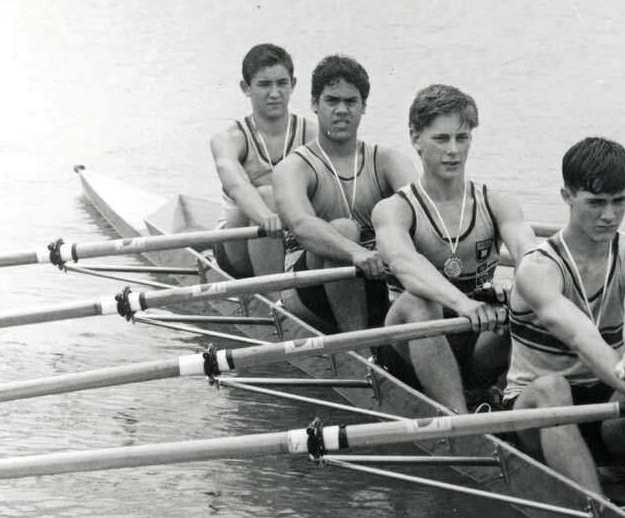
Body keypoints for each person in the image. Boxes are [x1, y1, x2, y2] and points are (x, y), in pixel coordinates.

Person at [503, 137, 625, 518]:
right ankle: (603, 517)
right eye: (596, 203)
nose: (609, 216)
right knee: (554, 387)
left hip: (605, 405)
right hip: (536, 411)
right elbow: (581, 337)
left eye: (619, 201)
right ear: (567, 196)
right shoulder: (538, 268)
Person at [372, 84, 536, 413]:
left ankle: (509, 398)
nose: (453, 150)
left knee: (531, 289)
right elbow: (404, 263)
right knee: (421, 300)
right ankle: (461, 421)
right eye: (441, 139)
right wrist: (463, 303)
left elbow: (532, 255)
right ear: (416, 139)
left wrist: (518, 287)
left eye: (462, 138)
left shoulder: (497, 203)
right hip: (407, 345)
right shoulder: (395, 209)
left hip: (477, 345)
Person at [271, 54, 417, 333]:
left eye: (351, 101)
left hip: (375, 278)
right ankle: (360, 349)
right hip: (306, 292)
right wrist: (355, 252)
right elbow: (301, 226)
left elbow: (425, 212)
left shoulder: (387, 160)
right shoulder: (294, 167)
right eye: (332, 101)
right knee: (344, 229)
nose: (341, 110)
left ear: (363, 107)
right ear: (315, 104)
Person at [209, 44, 312, 279]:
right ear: (246, 88)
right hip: (237, 245)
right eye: (264, 85)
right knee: (266, 193)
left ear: (293, 85)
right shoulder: (229, 139)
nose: (275, 93)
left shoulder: (312, 133)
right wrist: (266, 215)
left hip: (295, 235)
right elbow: (237, 186)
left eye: (282, 83)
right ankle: (276, 303)